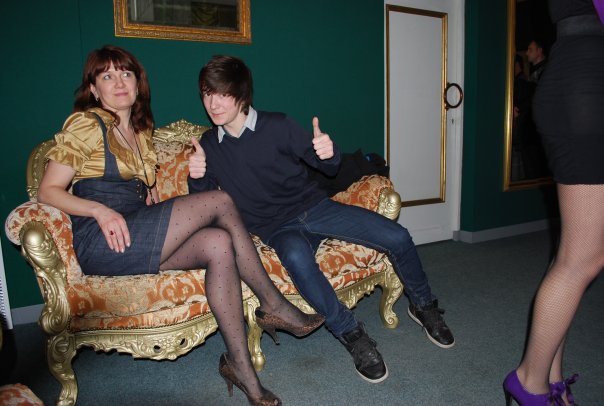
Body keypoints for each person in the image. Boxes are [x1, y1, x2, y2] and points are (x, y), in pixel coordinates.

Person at [37, 45, 324, 406]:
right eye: (107, 76)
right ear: (94, 89)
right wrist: (98, 211)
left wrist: (150, 196)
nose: (119, 82)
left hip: (135, 232)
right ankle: (274, 304)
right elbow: (47, 191)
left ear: (138, 83)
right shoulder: (87, 124)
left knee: (218, 242)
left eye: (126, 74)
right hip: (104, 240)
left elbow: (140, 191)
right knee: (220, 200)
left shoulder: (140, 132)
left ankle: (241, 367)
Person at [188, 55, 455, 385]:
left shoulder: (278, 125)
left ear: (242, 94)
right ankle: (351, 333)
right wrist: (197, 176)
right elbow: (203, 204)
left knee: (397, 236)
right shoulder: (209, 146)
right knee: (296, 257)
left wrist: (329, 153)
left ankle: (424, 305)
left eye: (222, 93)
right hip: (276, 228)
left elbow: (326, 166)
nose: (213, 103)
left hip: (315, 207)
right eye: (207, 93)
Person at [503, 1, 604, 405]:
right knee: (584, 257)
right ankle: (530, 381)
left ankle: (550, 376)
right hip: (587, 78)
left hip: (582, 72)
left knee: (574, 252)